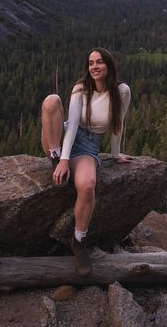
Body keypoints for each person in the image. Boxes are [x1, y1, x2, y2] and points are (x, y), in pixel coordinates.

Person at [40, 47, 133, 276]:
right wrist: (62, 159)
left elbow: (117, 125)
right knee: (51, 101)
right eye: (91, 63)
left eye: (99, 62)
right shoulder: (81, 88)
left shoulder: (121, 91)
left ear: (108, 65)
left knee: (88, 185)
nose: (94, 67)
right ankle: (54, 158)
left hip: (89, 146)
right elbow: (71, 124)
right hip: (60, 137)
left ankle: (79, 242)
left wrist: (115, 154)